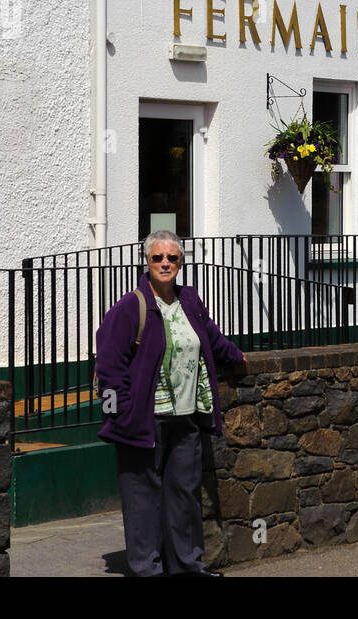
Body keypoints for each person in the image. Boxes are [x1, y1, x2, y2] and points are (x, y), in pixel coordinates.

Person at [95, 229, 246, 577]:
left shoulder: (189, 301)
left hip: (186, 416)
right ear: (146, 262)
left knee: (184, 496)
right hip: (143, 420)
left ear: (181, 261)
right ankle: (147, 569)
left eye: (172, 258)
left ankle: (188, 566)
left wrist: (238, 356)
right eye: (157, 258)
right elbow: (108, 366)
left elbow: (210, 336)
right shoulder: (130, 306)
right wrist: (116, 415)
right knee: (142, 499)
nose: (165, 263)